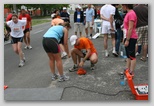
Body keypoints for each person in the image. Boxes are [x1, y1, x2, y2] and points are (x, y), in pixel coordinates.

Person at [122, 4, 138, 76]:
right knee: (128, 55)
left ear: (126, 6)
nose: (122, 7)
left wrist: (127, 40)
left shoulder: (131, 14)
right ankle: (127, 69)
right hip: (127, 36)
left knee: (132, 55)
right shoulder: (129, 13)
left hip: (131, 37)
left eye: (123, 6)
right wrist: (125, 38)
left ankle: (131, 72)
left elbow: (130, 28)